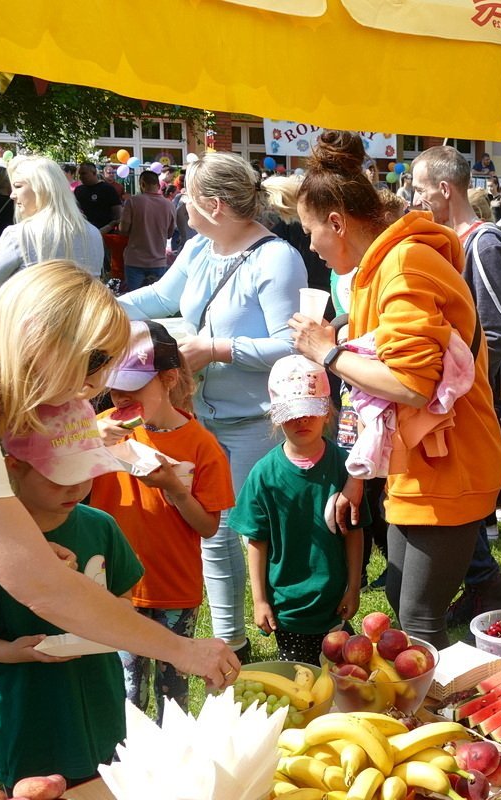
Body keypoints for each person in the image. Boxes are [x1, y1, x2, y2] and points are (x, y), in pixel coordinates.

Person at [0, 262, 239, 689]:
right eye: (97, 359)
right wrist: (183, 649)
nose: (98, 383)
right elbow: (41, 585)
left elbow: (8, 560)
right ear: (41, 339)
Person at [288, 131, 501, 649]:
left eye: (310, 230)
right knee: (404, 594)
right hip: (418, 465)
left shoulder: (404, 265)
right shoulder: (381, 269)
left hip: (448, 467)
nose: (311, 246)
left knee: (419, 615)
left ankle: (430, 724)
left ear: (337, 223)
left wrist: (328, 353)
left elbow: (412, 384)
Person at [118, 152, 307, 661]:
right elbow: (158, 296)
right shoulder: (201, 247)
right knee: (214, 532)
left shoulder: (276, 259)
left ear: (214, 205)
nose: (181, 203)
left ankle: (291, 636)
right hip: (203, 418)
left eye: (187, 196)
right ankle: (231, 642)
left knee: (249, 530)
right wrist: (95, 305)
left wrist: (218, 349)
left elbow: (290, 346)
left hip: (254, 424)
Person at [0, 399, 144, 792]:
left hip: (101, 706)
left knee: (104, 785)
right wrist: (14, 651)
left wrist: (104, 620)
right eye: (59, 476)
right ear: (13, 467)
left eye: (86, 472)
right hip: (29, 716)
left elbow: (126, 598)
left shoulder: (100, 527)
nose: (76, 487)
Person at [90, 320, 234, 722]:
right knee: (127, 690)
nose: (120, 395)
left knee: (173, 693)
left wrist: (175, 487)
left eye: (133, 386)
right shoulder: (96, 431)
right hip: (118, 587)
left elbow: (207, 526)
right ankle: (127, 761)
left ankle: (174, 763)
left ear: (169, 379)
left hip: (173, 588)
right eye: (114, 385)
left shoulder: (201, 446)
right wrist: (85, 443)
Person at [410, 144, 501, 621]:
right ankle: (481, 584)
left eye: (418, 189)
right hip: (448, 398)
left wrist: (460, 381)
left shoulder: (483, 243)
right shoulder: (447, 241)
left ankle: (488, 586)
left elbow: (498, 328)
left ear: (443, 188)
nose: (413, 198)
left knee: (465, 496)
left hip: (467, 399)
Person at [230, 356, 364, 665]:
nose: (301, 420)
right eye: (291, 414)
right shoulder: (263, 474)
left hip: (334, 604)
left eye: (309, 411)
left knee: (346, 681)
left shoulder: (346, 468)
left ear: (327, 411)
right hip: (288, 610)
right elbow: (256, 541)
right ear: (276, 418)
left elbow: (354, 532)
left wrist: (354, 588)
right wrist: (260, 600)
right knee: (303, 690)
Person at [0, 156, 105, 294]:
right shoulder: (93, 233)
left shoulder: (19, 234)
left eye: (17, 186)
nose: (12, 195)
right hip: (82, 314)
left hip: (31, 313)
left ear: (41, 188)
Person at [119, 170, 176, 290]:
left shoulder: (133, 202)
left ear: (142, 184)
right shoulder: (169, 205)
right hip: (158, 260)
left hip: (134, 260)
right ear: (159, 185)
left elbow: (123, 230)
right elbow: (170, 234)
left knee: (133, 300)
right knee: (156, 302)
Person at [75, 162, 124, 278]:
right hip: (84, 236)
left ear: (94, 173)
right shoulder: (78, 191)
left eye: (84, 173)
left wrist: (112, 227)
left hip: (105, 236)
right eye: (80, 174)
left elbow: (117, 213)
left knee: (105, 268)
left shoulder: (107, 189)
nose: (81, 176)